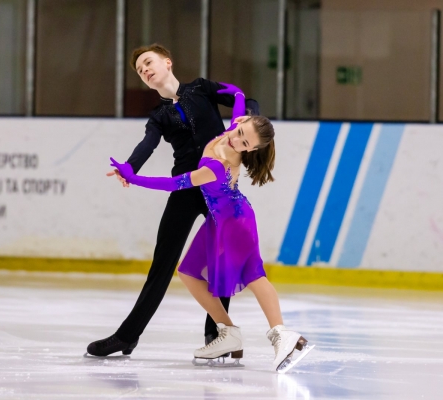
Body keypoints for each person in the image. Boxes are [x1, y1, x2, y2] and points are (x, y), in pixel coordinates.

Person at [109, 84, 314, 373]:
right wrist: (238, 95)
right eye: (239, 132)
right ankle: (228, 331)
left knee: (255, 276)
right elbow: (238, 106)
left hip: (236, 223)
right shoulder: (233, 130)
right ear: (240, 122)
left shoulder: (218, 165)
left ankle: (281, 333)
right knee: (188, 273)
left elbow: (174, 184)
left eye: (244, 143)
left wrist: (134, 178)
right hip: (219, 221)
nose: (236, 140)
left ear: (251, 150)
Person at [86, 43, 260, 357]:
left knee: (221, 259)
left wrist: (247, 122)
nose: (145, 70)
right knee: (162, 264)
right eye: (140, 70)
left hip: (217, 187)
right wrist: (130, 167)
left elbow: (245, 99)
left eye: (148, 62)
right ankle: (127, 336)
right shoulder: (159, 116)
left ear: (167, 62)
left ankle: (219, 334)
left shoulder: (202, 88)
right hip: (184, 188)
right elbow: (147, 144)